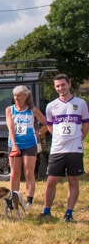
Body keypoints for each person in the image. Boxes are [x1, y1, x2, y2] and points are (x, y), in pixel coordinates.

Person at [42, 74, 89, 222]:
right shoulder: (51, 106)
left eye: (63, 85)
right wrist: (58, 137)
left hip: (74, 149)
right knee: (51, 181)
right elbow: (49, 126)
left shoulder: (81, 104)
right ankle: (46, 211)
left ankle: (69, 213)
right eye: (57, 86)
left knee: (73, 180)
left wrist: (79, 138)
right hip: (57, 149)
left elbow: (86, 125)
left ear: (69, 84)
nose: (60, 88)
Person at [5, 85, 47, 208]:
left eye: (19, 95)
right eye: (15, 95)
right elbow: (11, 128)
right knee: (14, 173)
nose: (16, 98)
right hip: (14, 144)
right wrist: (14, 144)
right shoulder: (10, 109)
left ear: (26, 96)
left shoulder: (32, 110)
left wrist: (38, 132)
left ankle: (29, 200)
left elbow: (47, 123)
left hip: (29, 144)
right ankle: (13, 198)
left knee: (29, 172)